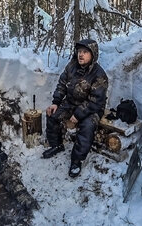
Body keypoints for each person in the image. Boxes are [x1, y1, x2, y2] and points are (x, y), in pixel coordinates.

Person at [42, 39, 108, 178]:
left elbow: (96, 100)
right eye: (79, 52)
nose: (81, 55)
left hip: (91, 108)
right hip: (71, 102)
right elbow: (61, 84)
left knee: (87, 126)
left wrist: (78, 114)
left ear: (93, 54)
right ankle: (56, 145)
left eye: (85, 52)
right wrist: (56, 102)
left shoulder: (99, 74)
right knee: (52, 115)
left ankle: (76, 161)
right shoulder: (71, 66)